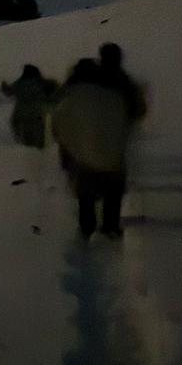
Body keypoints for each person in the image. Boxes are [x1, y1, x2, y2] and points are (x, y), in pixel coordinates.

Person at [51, 52, 144, 239]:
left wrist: (71, 151)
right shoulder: (114, 92)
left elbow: (58, 127)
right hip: (114, 157)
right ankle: (111, 227)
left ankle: (87, 228)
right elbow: (133, 114)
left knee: (86, 192)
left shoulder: (70, 97)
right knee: (113, 190)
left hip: (84, 158)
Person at [0, 64, 59, 148]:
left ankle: (22, 150)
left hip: (20, 115)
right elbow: (53, 95)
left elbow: (8, 92)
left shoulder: (19, 83)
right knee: (38, 141)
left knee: (24, 142)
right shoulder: (42, 83)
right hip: (37, 116)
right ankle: (38, 155)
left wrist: (4, 86)